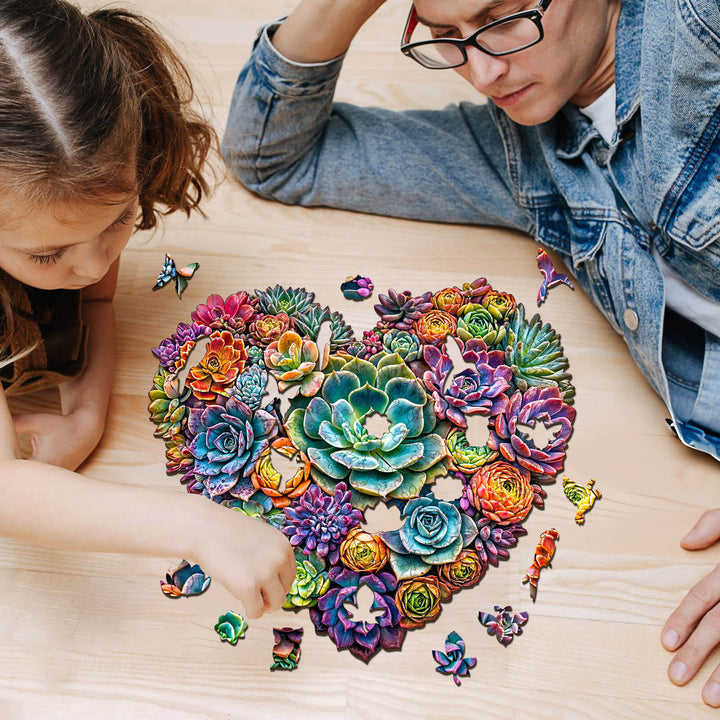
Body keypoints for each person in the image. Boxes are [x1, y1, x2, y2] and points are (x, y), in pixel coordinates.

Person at [220, 0, 720, 703]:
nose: (482, 71)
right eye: (446, 35)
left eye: (502, 16)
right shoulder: (517, 144)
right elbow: (271, 155)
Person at [0, 0, 295, 620]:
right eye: (49, 254)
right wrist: (196, 526)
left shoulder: (73, 220)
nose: (89, 265)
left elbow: (98, 296)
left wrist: (85, 414)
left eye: (118, 221)